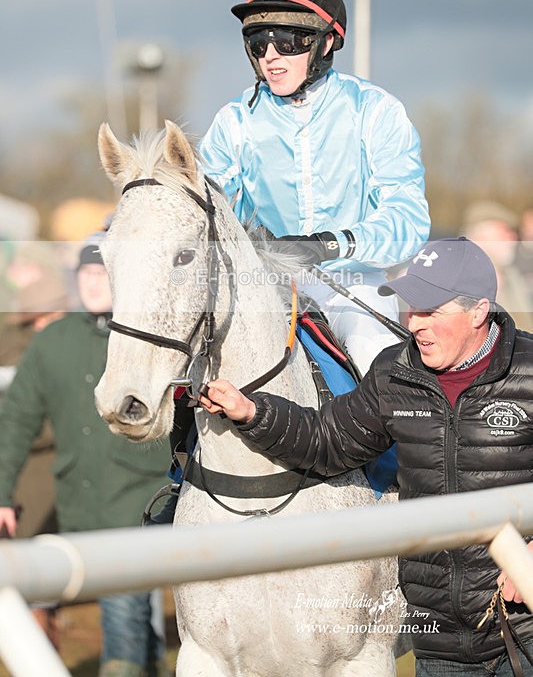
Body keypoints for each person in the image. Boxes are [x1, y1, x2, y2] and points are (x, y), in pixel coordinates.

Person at [198, 237, 533, 676]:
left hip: (524, 629)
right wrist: (253, 412)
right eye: (411, 308)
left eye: (431, 311)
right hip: (440, 645)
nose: (415, 325)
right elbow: (326, 440)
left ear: (478, 311)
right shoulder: (394, 373)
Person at [198, 0, 430, 377]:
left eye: (287, 41)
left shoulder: (376, 111)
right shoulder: (233, 121)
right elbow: (205, 207)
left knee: (380, 366)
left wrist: (328, 245)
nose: (270, 55)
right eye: (258, 42)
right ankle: (181, 442)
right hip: (265, 284)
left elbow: (408, 222)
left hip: (353, 284)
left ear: (326, 44)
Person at [0, 232, 172, 677]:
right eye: (87, 272)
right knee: (130, 613)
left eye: (102, 272)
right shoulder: (52, 341)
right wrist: (2, 494)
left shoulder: (151, 336)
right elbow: (15, 420)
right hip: (81, 500)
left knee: (123, 611)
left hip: (143, 496)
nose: (94, 282)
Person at [461, 199, 533, 333]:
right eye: (505, 232)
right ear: (481, 236)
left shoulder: (511, 274)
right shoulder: (459, 277)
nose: (514, 238)